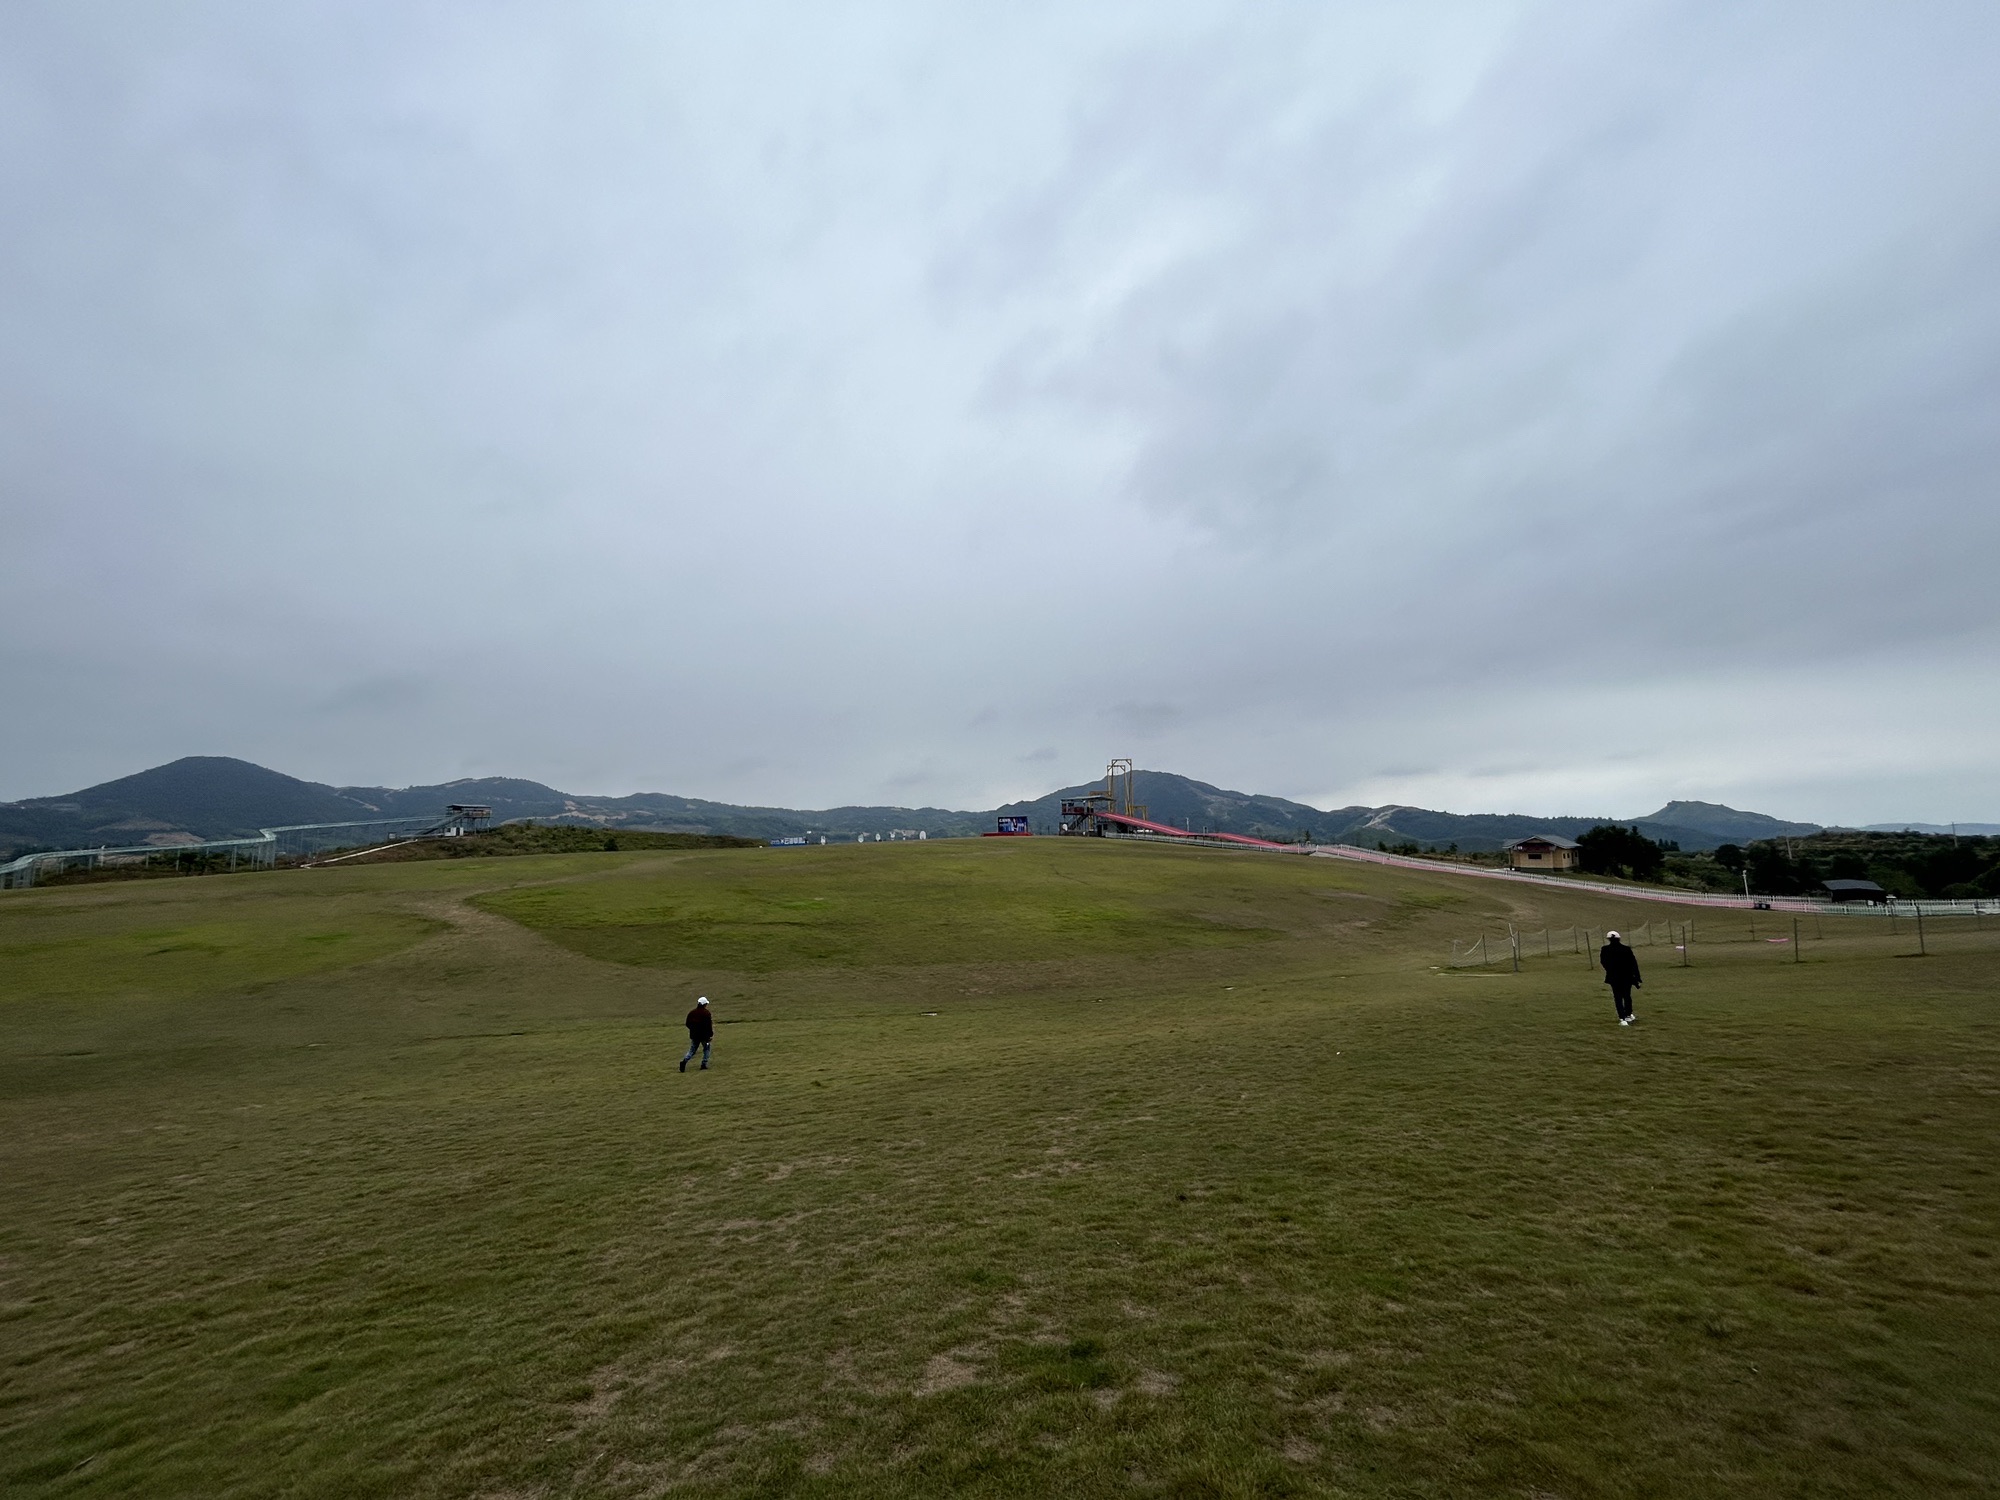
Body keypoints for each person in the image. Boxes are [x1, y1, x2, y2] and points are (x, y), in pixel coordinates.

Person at [1599, 931, 1641, 1026]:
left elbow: (1603, 962)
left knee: (1618, 997)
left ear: (1609, 939)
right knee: (1627, 996)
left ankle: (1622, 1018)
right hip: (1627, 976)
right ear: (1619, 938)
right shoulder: (1626, 949)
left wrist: (1610, 970)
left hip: (1614, 977)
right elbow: (1633, 963)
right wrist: (1637, 977)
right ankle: (1628, 1014)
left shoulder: (1605, 949)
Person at [681, 996, 714, 1071]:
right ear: (704, 1004)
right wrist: (710, 1034)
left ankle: (684, 1061)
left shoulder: (692, 1013)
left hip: (694, 1035)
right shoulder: (706, 1013)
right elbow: (708, 1026)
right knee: (706, 1049)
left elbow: (687, 1023)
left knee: (692, 1050)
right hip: (704, 1036)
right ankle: (704, 1064)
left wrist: (693, 1030)